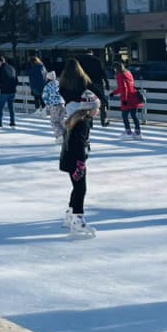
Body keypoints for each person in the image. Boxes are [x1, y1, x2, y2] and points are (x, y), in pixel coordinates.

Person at [60, 91, 99, 237]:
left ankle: (70, 215)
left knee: (77, 188)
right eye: (97, 108)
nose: (98, 110)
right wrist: (80, 164)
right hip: (75, 161)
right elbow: (78, 145)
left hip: (71, 160)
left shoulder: (77, 118)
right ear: (90, 109)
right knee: (81, 189)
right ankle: (78, 219)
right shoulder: (82, 123)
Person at [111, 62, 143, 140]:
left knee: (125, 116)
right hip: (134, 96)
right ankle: (138, 132)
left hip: (127, 98)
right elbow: (128, 86)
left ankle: (128, 133)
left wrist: (124, 100)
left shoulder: (120, 76)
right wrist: (114, 93)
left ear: (116, 68)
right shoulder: (128, 73)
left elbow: (123, 88)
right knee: (134, 116)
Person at [77, 50, 110, 126]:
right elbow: (103, 72)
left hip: (87, 84)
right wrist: (106, 82)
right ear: (92, 54)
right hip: (98, 83)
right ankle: (103, 120)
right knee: (102, 102)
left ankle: (89, 121)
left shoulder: (81, 61)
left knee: (88, 102)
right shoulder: (97, 60)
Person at [0, 55, 18, 128]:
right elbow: (16, 81)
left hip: (4, 91)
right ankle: (12, 123)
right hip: (12, 91)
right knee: (11, 107)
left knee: (0, 108)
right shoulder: (12, 68)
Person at [42, 70, 65, 144]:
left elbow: (44, 96)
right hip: (62, 104)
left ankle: (59, 136)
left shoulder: (47, 86)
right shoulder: (59, 83)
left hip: (54, 105)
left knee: (54, 121)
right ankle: (66, 135)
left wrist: (47, 105)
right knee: (61, 120)